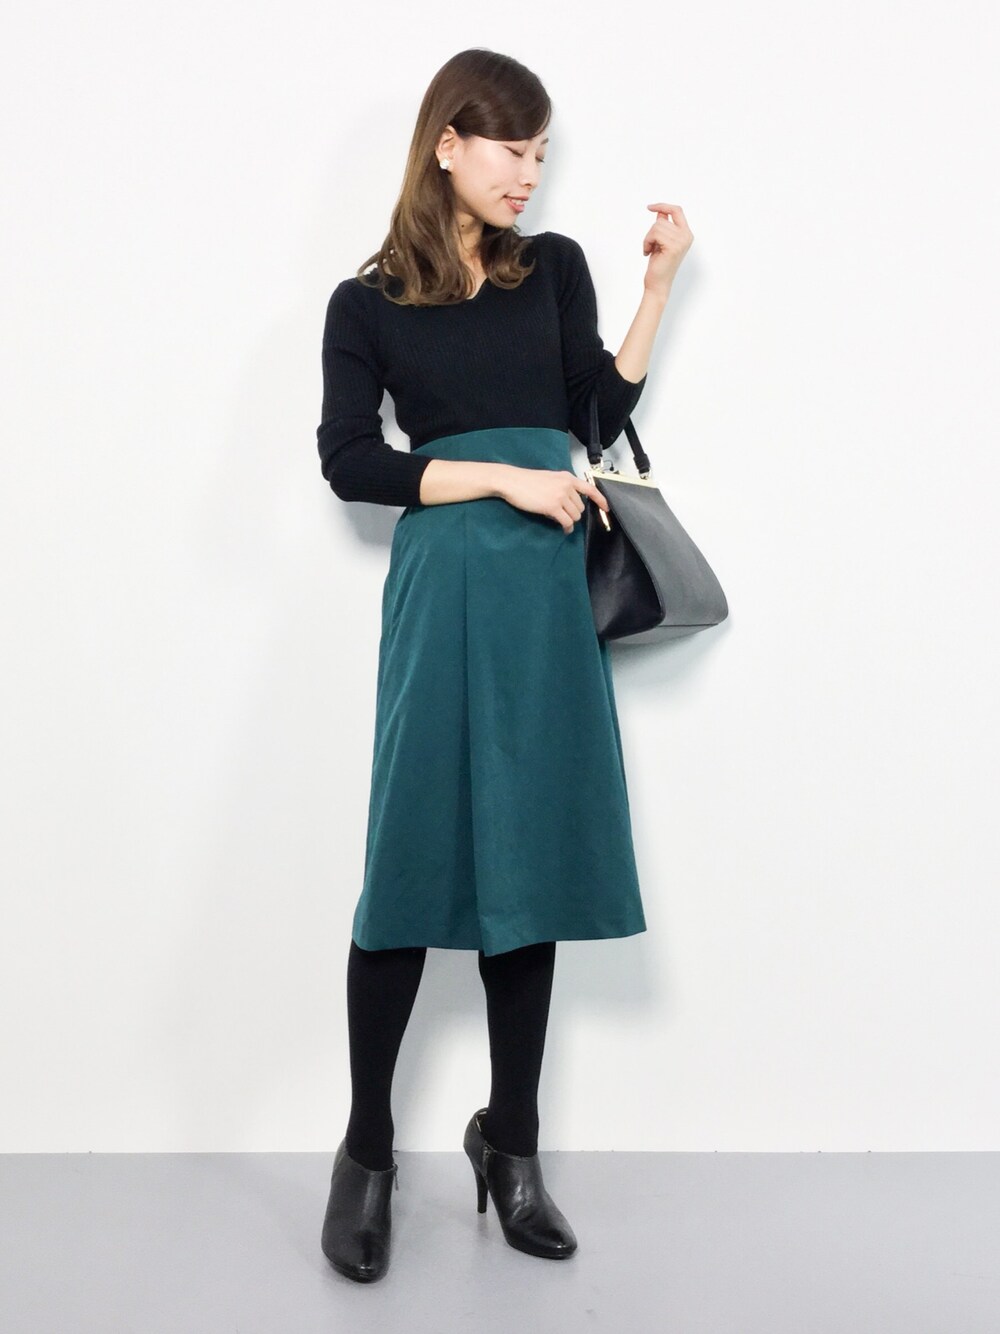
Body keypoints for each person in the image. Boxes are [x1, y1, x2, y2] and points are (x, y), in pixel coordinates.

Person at [314, 48, 692, 1283]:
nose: (528, 173)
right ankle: (367, 1151)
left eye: (540, 153)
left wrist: (656, 288)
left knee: (525, 859)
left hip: (541, 592)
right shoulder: (367, 302)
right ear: (446, 146)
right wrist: (498, 477)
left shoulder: (555, 267)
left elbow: (589, 415)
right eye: (509, 149)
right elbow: (349, 461)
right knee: (411, 860)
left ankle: (511, 1145)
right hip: (444, 587)